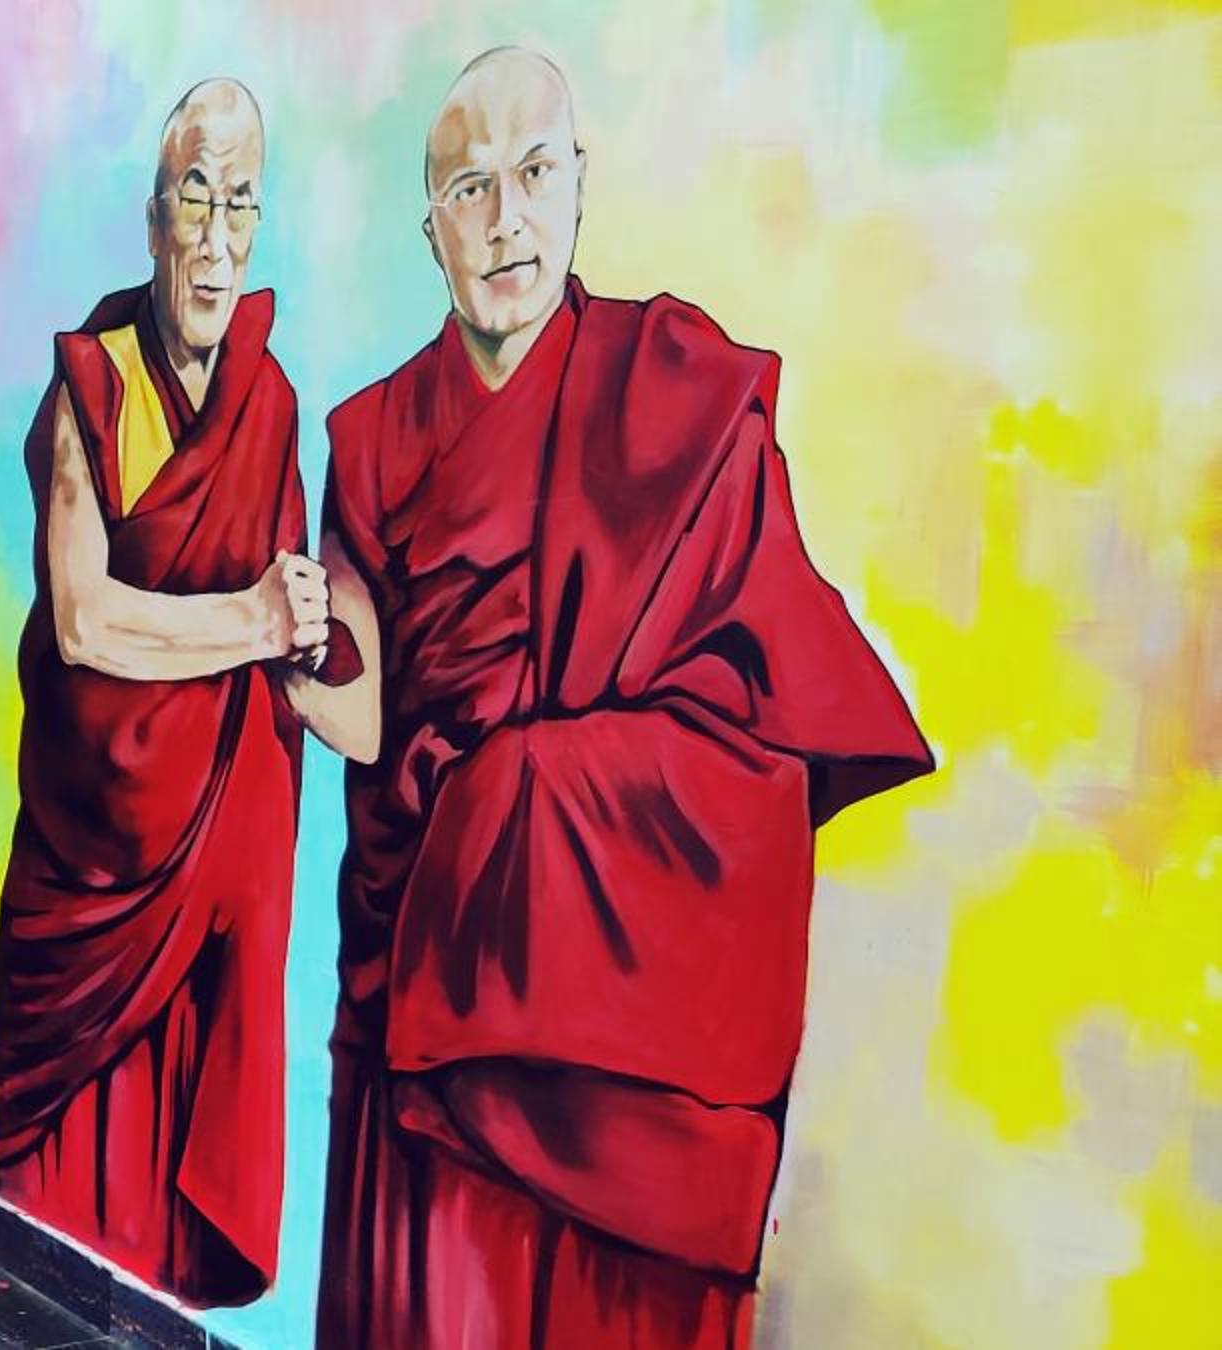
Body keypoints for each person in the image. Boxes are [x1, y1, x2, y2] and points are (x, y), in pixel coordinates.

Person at [286, 47, 937, 1347]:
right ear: (431, 228)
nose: (506, 219)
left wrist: (507, 802)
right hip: (419, 1010)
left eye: (534, 174)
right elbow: (369, 718)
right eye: (470, 189)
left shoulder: (674, 397)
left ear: (580, 185)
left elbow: (757, 730)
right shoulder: (370, 438)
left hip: (613, 1026)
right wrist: (298, 656)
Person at [0, 77, 332, 1309]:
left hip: (207, 880)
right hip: (90, 853)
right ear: (153, 220)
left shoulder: (268, 404)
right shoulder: (95, 386)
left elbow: (290, 652)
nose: (220, 236)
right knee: (47, 1240)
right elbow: (83, 621)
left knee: (163, 1266)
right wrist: (252, 621)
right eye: (196, 196)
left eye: (242, 201)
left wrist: (306, 631)